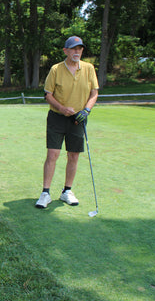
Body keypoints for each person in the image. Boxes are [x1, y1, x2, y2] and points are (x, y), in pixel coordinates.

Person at [35, 36, 99, 209]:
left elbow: (94, 93)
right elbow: (48, 95)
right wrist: (62, 108)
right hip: (57, 117)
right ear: (65, 51)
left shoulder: (88, 68)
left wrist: (86, 110)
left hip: (78, 119)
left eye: (79, 49)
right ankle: (45, 193)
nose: (76, 52)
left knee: (73, 155)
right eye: (73, 49)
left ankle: (66, 191)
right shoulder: (56, 69)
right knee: (52, 155)